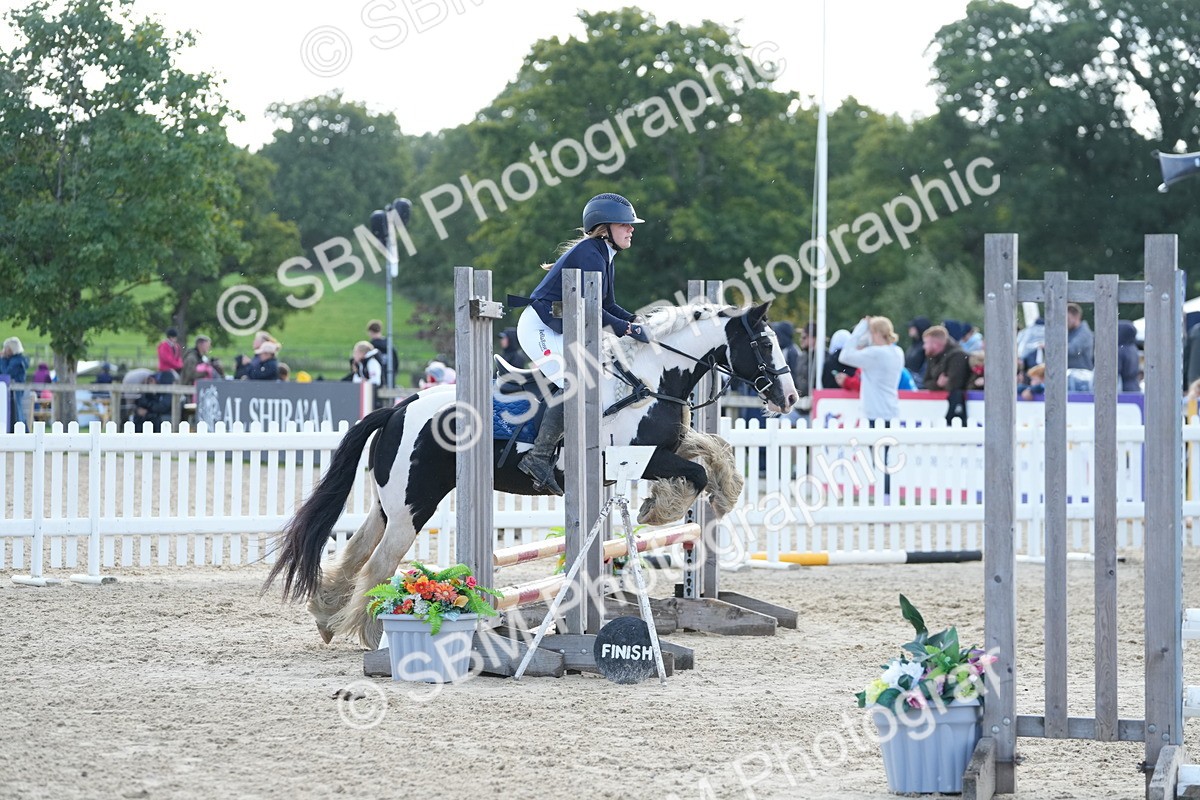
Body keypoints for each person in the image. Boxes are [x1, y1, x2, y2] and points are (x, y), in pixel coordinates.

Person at [509, 192, 649, 495]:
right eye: (625, 224)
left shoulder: (603, 255)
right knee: (576, 380)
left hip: (561, 328)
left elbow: (608, 305)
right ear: (605, 226)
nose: (631, 229)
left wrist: (640, 322)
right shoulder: (590, 252)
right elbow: (590, 309)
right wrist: (626, 328)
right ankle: (539, 457)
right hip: (540, 328)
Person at [836, 316, 904, 424]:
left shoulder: (876, 353)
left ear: (876, 333)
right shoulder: (898, 352)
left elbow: (844, 356)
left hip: (875, 414)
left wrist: (860, 328)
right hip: (892, 412)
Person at [922, 325, 971, 425]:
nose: (924, 346)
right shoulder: (932, 356)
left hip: (956, 404)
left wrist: (937, 384)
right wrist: (938, 384)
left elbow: (954, 384)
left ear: (935, 343)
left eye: (926, 343)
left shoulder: (958, 355)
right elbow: (926, 381)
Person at [2, 337, 29, 428]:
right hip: (13, 390)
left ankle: (21, 429)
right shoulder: (15, 360)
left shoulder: (17, 361)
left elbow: (7, 373)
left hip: (15, 390)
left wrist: (2, 359)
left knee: (17, 411)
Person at [1066, 303, 1094, 370]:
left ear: (1076, 317)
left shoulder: (1084, 333)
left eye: (1068, 319)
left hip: (1082, 375)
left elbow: (1072, 350)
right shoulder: (1070, 331)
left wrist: (1050, 347)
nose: (1065, 322)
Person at [905, 317, 931, 384]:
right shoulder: (913, 346)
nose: (910, 329)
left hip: (918, 382)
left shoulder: (926, 347)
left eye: (912, 327)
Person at [1117, 320, 1141, 392]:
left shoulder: (1120, 350)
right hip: (1135, 386)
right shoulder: (1133, 348)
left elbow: (1115, 372)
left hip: (1124, 388)